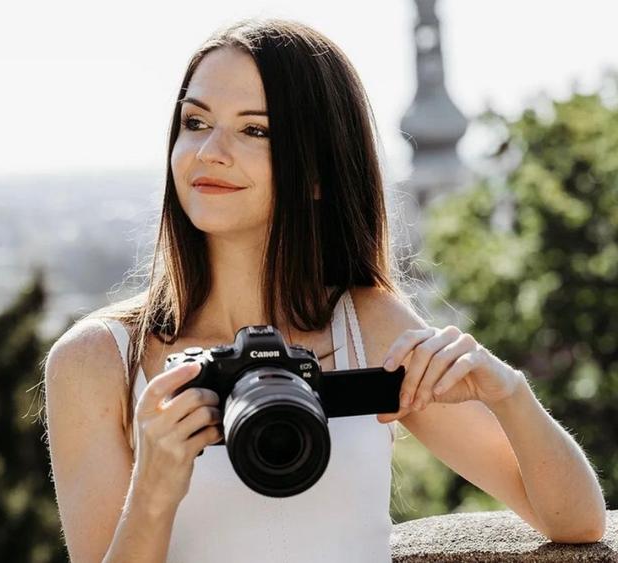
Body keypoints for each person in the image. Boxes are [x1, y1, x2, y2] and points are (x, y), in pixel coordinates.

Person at [42, 17, 606, 563]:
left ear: (317, 173)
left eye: (255, 130)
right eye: (195, 122)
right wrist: (153, 492)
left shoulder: (369, 328)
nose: (209, 151)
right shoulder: (99, 362)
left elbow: (575, 522)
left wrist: (508, 392)